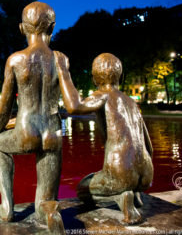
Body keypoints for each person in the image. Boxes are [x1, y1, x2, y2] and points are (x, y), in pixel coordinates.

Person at [0, 2, 64, 230]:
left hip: (25, 131)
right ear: (52, 28)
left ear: (22, 28)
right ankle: (50, 214)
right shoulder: (60, 59)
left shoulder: (16, 60)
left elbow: (4, 106)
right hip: (53, 134)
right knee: (46, 201)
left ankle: (7, 207)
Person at [54, 52, 154, 224]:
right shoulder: (131, 102)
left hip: (120, 175)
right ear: (121, 77)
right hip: (147, 175)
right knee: (124, 178)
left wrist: (63, 71)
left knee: (83, 188)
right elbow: (149, 147)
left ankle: (124, 198)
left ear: (94, 79)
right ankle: (134, 191)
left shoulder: (103, 94)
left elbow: (74, 106)